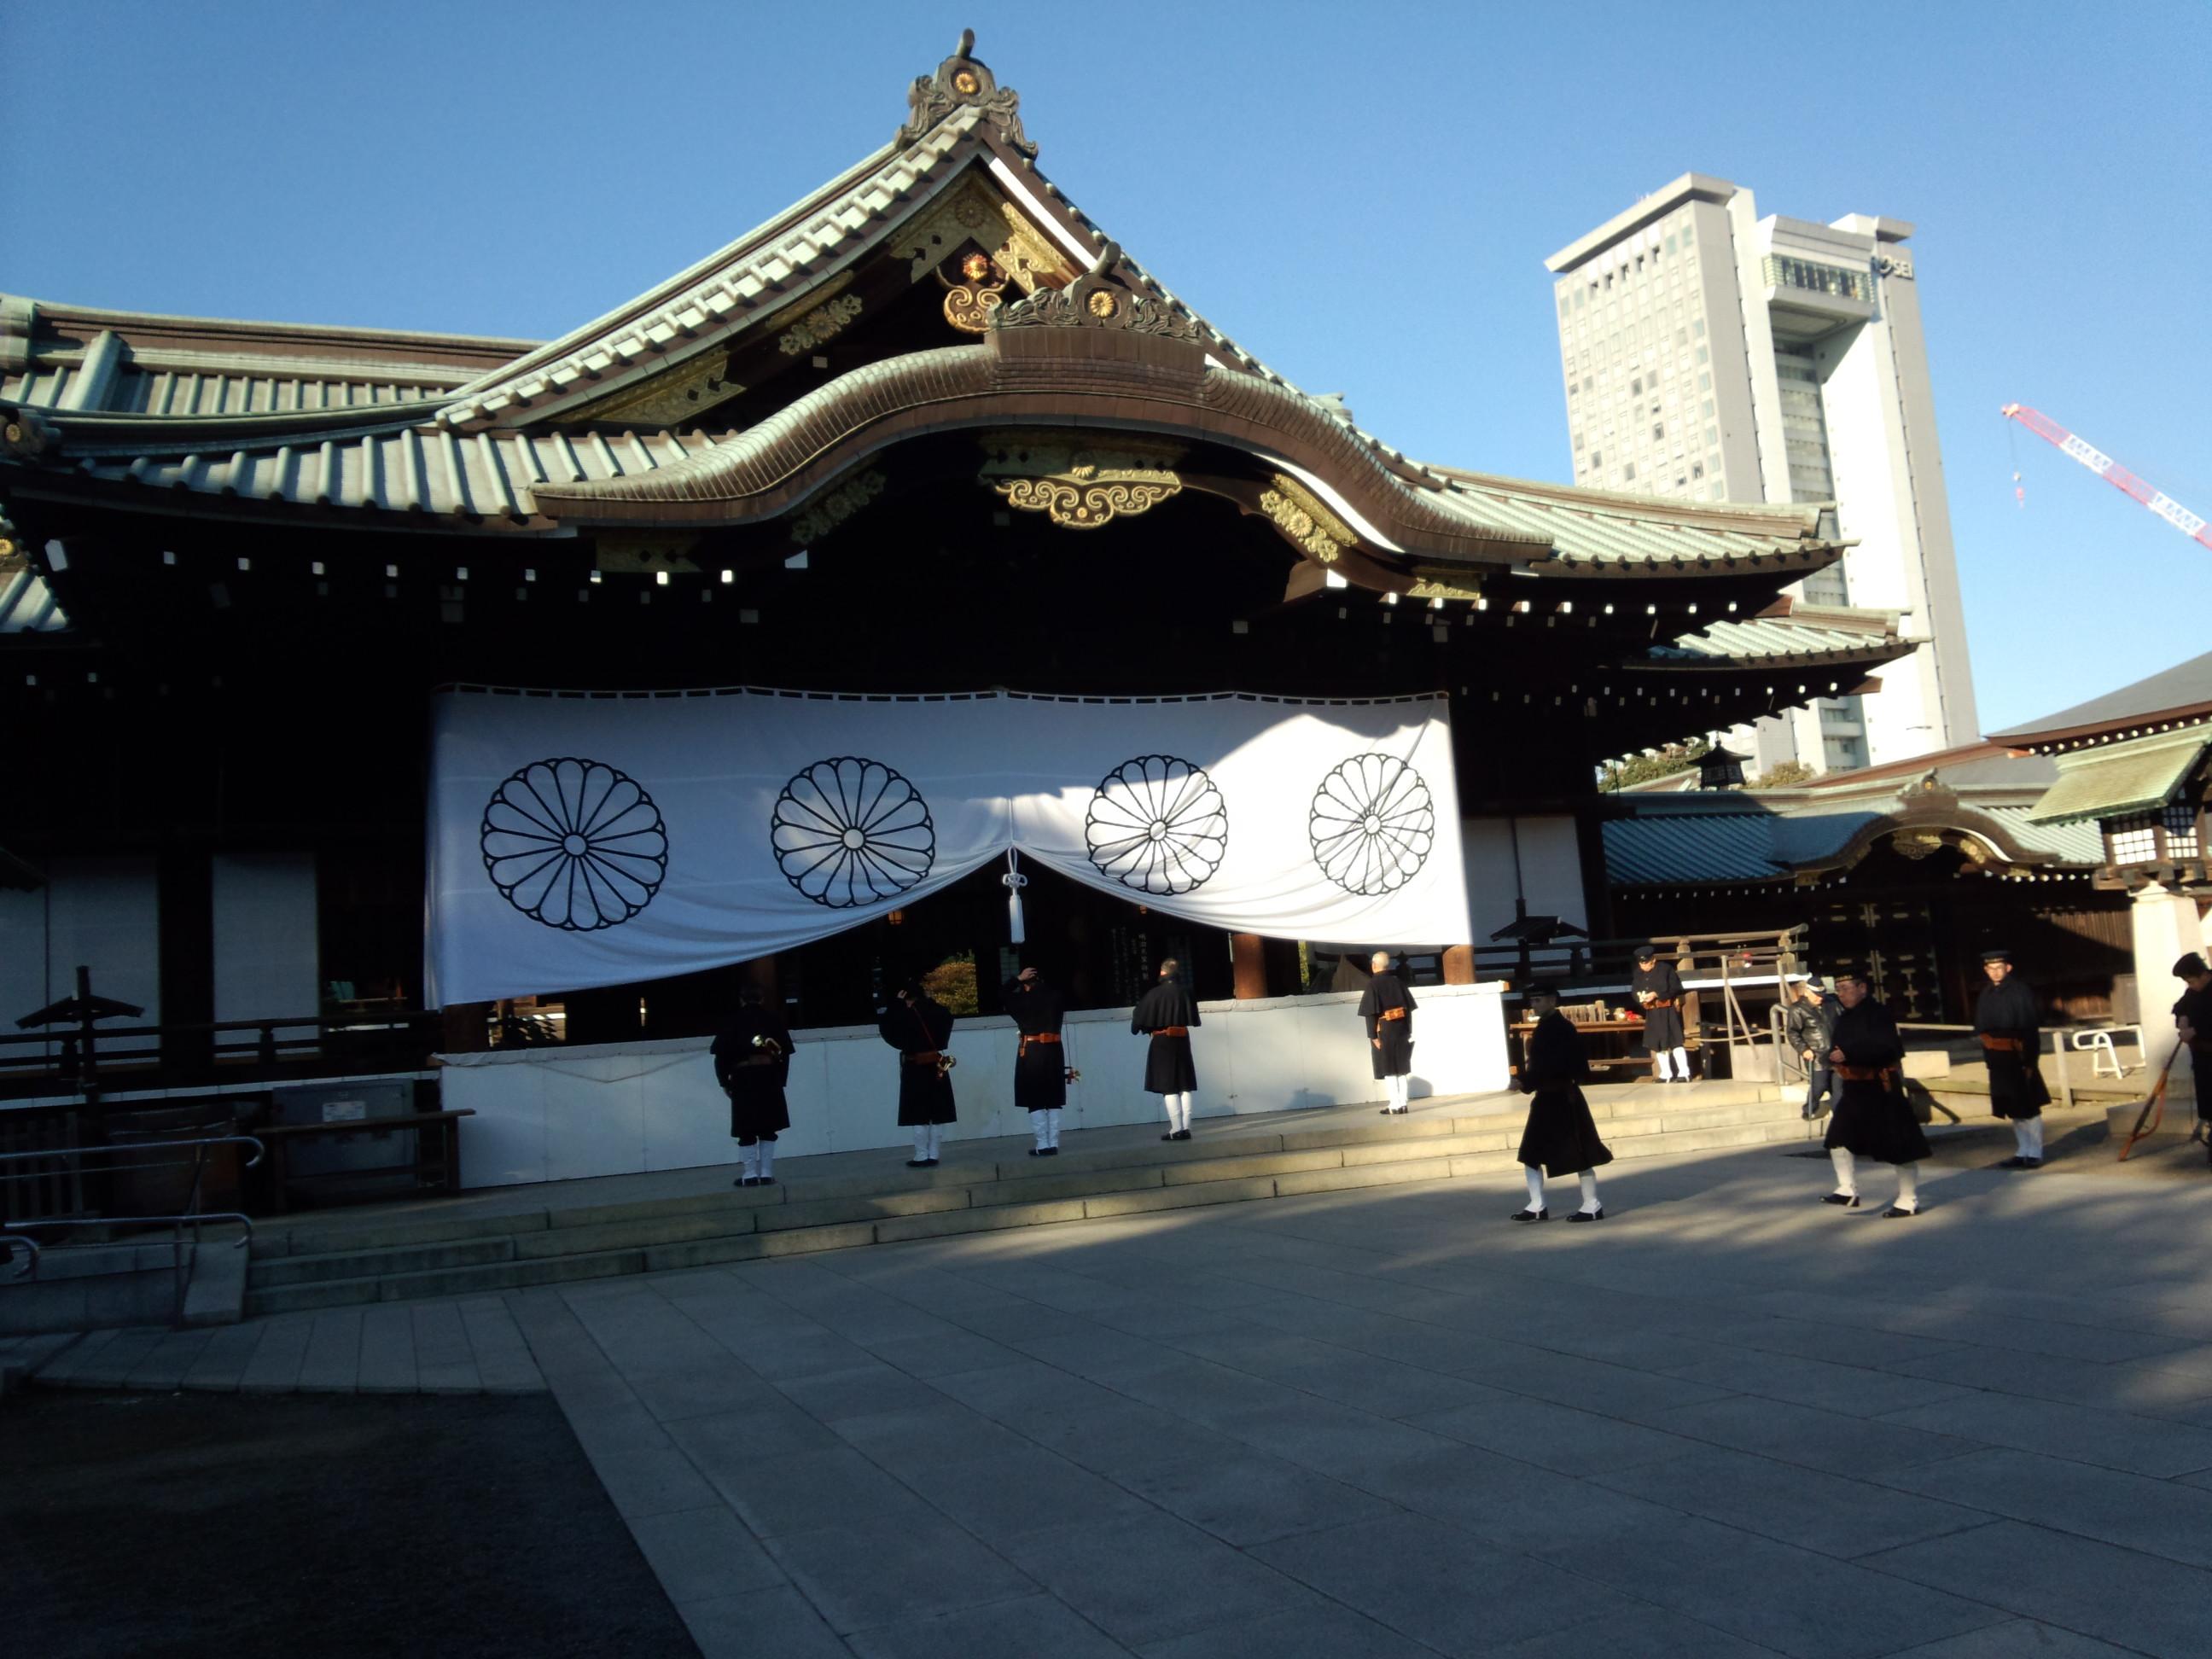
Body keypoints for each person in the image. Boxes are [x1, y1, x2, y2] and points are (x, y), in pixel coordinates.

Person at [1823, 971, 1930, 1216]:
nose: (1842, 994)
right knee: (1838, 1138)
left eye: (1847, 988)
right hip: (1854, 1088)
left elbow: (1886, 1048)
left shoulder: (1879, 1014)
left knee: (1899, 1145)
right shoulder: (1845, 1017)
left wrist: (1849, 1053)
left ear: (1863, 988)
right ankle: (1847, 1190)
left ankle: (1908, 1199)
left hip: (1881, 1088)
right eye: (1839, 990)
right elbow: (1838, 1048)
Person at [1513, 983, 1611, 1222]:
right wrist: (1528, 1081)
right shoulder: (1545, 1027)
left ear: (1552, 1001)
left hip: (1563, 1098)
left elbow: (1551, 1066)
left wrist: (1524, 1081)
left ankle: (1592, 1205)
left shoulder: (1561, 1029)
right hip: (1546, 1098)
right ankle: (1537, 1205)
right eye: (1532, 1001)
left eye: (1539, 1000)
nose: (1534, 1005)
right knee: (1531, 1152)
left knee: (1581, 1152)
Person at [711, 983, 792, 1188]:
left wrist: (724, 1081)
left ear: (742, 999)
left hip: (743, 1076)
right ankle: (766, 1173)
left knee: (746, 1127)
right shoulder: (773, 1019)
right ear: (762, 998)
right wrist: (780, 1079)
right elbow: (784, 1053)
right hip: (769, 1076)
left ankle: (749, 1174)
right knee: (768, 1126)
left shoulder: (732, 1021)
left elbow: (720, 1056)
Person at [1975, 947, 2051, 1169]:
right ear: (1986, 970)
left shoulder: (2020, 991)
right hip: (1998, 1058)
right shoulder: (1986, 993)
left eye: (1999, 968)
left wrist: (2030, 1060)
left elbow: (2029, 1027)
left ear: (2008, 968)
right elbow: (1982, 1030)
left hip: (2019, 1055)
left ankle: (2035, 1151)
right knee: (2013, 1106)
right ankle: (2022, 1150)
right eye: (1991, 968)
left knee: (2029, 1105)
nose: (1995, 972)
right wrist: (1988, 1058)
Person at [879, 978, 956, 1167]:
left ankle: (921, 1155)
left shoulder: (905, 1014)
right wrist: (928, 1001)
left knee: (918, 1113)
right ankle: (934, 1154)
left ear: (906, 996)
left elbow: (888, 1028)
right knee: (937, 1112)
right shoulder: (937, 1011)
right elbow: (947, 1015)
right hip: (937, 1064)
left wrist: (897, 1004)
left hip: (915, 1066)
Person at [1132, 958, 1200, 1140]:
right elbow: (1194, 1017)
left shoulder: (1153, 994)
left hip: (1162, 1041)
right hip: (1182, 1039)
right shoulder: (1186, 992)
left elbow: (1137, 1021)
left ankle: (1176, 1128)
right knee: (1184, 1084)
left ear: (1162, 973)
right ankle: (1186, 1127)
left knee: (1168, 1086)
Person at [1004, 964, 1068, 1156]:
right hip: (1054, 1049)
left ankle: (1042, 1144)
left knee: (1036, 1097)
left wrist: (1016, 979)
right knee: (1053, 1097)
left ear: (1025, 984)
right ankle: (1053, 1143)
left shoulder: (1022, 999)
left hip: (1032, 1050)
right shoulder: (1056, 996)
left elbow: (1001, 993)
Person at [1359, 951, 1418, 1115]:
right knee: (1402, 1066)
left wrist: (1373, 1036)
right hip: (1401, 1028)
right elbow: (1408, 1009)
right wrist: (1408, 1030)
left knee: (1389, 1067)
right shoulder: (1397, 982)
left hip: (1385, 1029)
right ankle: (1403, 1103)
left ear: (1373, 966)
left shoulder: (1373, 985)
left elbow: (1371, 1014)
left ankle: (1394, 1105)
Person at [1630, 944, 1691, 1083]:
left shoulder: (1665, 970)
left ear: (1653, 960)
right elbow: (1634, 990)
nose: (1644, 966)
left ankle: (1684, 1072)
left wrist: (1657, 994)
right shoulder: (1638, 973)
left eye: (1646, 963)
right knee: (1657, 1043)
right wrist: (1640, 997)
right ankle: (1666, 1074)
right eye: (1641, 963)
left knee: (1675, 1041)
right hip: (1652, 1011)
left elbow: (1676, 988)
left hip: (1667, 1009)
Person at [1784, 977, 1840, 1121]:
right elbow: (1792, 1033)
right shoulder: (1797, 1009)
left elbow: (1844, 1022)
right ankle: (1810, 1108)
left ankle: (1840, 1115)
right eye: (1816, 995)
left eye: (1822, 995)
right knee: (1819, 1086)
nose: (1820, 999)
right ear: (1807, 992)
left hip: (1836, 1054)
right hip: (1817, 1056)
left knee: (1839, 1089)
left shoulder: (1832, 1003)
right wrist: (1804, 1049)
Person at [2174, 952, 2212, 1148]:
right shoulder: (2193, 992)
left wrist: (2196, 1030)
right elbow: (2181, 1006)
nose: (2191, 986)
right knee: (2208, 1099)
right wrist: (2182, 1018)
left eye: (2192, 981)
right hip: (2202, 1056)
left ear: (2204, 975)